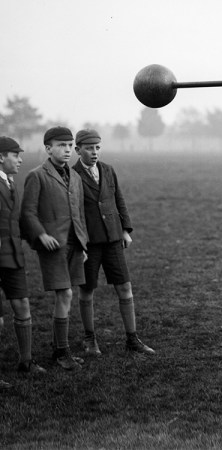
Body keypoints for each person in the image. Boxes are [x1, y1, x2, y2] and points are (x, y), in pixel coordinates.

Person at [72, 129, 154, 356]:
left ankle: (132, 339)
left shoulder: (108, 170)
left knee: (125, 286)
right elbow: (73, 212)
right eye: (89, 148)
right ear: (78, 150)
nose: (94, 152)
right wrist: (79, 243)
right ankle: (89, 339)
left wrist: (125, 229)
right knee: (87, 290)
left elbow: (119, 199)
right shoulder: (73, 175)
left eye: (97, 148)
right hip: (88, 243)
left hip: (113, 239)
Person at [20, 127, 89, 371]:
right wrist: (41, 234)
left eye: (70, 145)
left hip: (74, 243)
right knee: (65, 294)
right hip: (53, 246)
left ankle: (59, 348)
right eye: (61, 145)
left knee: (67, 295)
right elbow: (28, 212)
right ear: (48, 149)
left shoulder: (76, 177)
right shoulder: (37, 176)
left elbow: (79, 212)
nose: (67, 150)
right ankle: (61, 351)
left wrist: (83, 242)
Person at [0, 137, 46, 380]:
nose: (20, 160)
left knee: (23, 305)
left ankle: (26, 362)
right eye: (15, 155)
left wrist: (38, 239)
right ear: (1, 157)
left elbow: (16, 222)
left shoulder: (10, 183)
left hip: (13, 255)